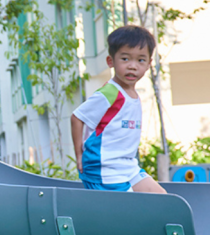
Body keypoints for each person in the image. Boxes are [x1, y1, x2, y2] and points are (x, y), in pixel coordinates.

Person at [71, 25, 167, 194]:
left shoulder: (133, 94)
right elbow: (77, 117)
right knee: (128, 211)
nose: (132, 66)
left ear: (149, 64)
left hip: (127, 165)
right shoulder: (110, 92)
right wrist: (79, 155)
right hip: (104, 169)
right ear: (111, 61)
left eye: (140, 60)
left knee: (161, 198)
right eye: (125, 59)